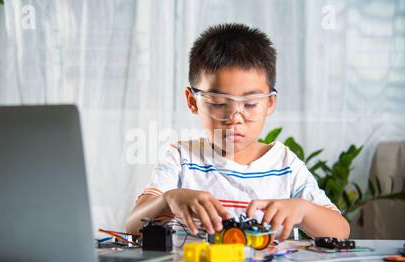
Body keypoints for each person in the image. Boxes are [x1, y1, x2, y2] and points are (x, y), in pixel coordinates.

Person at [125, 23, 350, 241]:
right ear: (193, 102)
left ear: (270, 103)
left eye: (250, 104)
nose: (235, 118)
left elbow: (340, 231)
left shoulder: (285, 165)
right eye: (219, 102)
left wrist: (305, 210)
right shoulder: (181, 158)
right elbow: (132, 226)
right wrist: (167, 200)